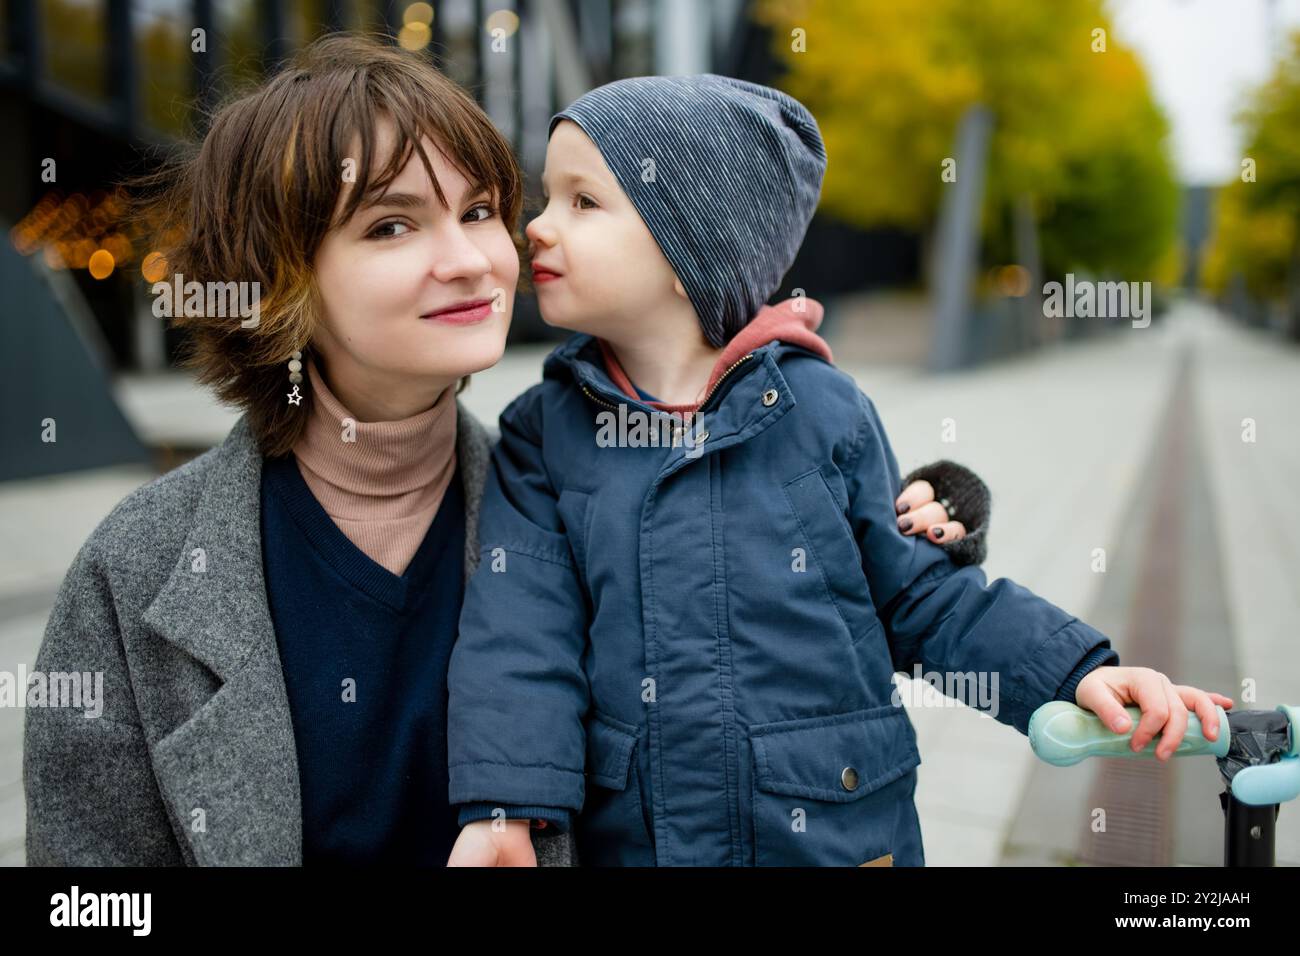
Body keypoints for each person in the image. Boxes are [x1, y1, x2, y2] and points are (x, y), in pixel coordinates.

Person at [22, 36, 984, 866]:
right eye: (393, 224)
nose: (476, 257)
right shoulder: (140, 566)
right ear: (277, 282)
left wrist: (928, 512)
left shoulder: (570, 494)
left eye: (479, 209)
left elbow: (787, 598)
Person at [445, 74, 1234, 866]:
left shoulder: (821, 413)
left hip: (835, 829)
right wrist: (508, 806)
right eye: (547, 199)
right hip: (644, 840)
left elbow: (923, 596)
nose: (536, 228)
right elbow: (520, 633)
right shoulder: (546, 436)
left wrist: (1068, 673)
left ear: (692, 247)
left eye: (582, 202)